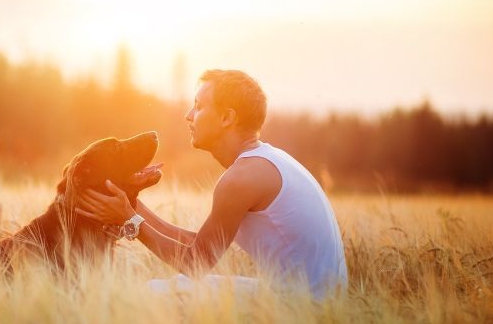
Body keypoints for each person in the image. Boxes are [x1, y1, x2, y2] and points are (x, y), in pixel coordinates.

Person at [76, 69, 347, 299]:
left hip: (305, 307)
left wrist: (130, 221)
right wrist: (132, 206)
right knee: (166, 289)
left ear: (227, 118)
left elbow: (196, 262)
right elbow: (199, 244)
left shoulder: (241, 178)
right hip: (309, 295)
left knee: (149, 298)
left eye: (199, 106)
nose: (188, 115)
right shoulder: (265, 161)